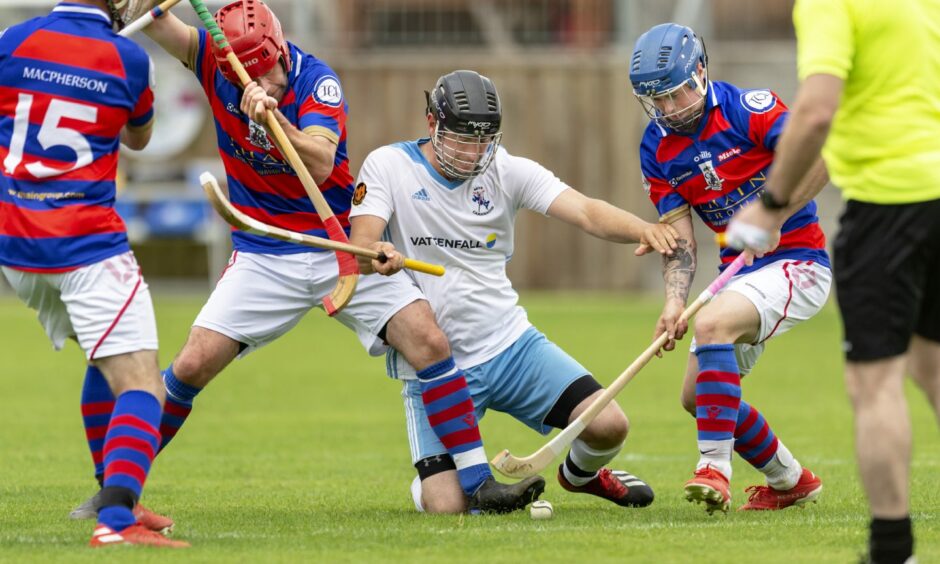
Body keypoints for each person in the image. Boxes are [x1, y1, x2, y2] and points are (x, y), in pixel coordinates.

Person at [67, 0, 545, 520]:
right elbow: (159, 23)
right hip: (264, 252)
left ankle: (477, 481)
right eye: (255, 77)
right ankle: (117, 488)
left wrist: (275, 121)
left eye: (271, 71)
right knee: (193, 362)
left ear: (279, 50)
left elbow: (318, 162)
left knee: (427, 338)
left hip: (337, 244)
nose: (266, 81)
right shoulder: (213, 58)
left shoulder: (318, 83)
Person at [348, 69, 680, 513]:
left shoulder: (507, 170)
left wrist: (645, 228)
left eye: (485, 139)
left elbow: (585, 210)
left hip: (510, 346)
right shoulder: (389, 165)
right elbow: (361, 244)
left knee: (609, 426)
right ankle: (438, 484)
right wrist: (377, 254)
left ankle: (581, 477)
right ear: (432, 124)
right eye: (462, 138)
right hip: (434, 366)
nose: (474, 152)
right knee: (448, 509)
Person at [725, 1, 940, 561]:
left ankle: (892, 551)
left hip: (890, 204)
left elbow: (817, 112)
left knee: (876, 385)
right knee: (931, 365)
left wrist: (770, 206)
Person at [0, 0, 189, 548]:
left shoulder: (13, 41)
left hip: (17, 247)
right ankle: (117, 524)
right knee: (143, 384)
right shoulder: (129, 59)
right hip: (84, 243)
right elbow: (138, 140)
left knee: (104, 356)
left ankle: (115, 494)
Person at [628, 23, 832, 515]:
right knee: (698, 396)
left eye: (678, 93)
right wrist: (674, 301)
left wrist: (776, 213)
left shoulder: (748, 108)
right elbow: (679, 239)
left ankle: (713, 469)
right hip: (740, 276)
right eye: (657, 100)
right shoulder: (656, 149)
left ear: (700, 73)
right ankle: (790, 480)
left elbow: (824, 158)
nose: (670, 109)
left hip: (799, 264)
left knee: (714, 322)